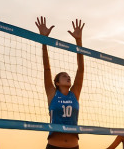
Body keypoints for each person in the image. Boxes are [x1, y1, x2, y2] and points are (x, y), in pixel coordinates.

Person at [35, 17, 85, 149]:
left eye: (69, 76)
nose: (68, 77)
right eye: (64, 76)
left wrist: (78, 41)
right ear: (57, 82)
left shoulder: (74, 93)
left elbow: (80, 70)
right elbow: (47, 68)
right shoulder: (52, 93)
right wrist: (44, 41)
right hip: (54, 146)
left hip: (74, 146)